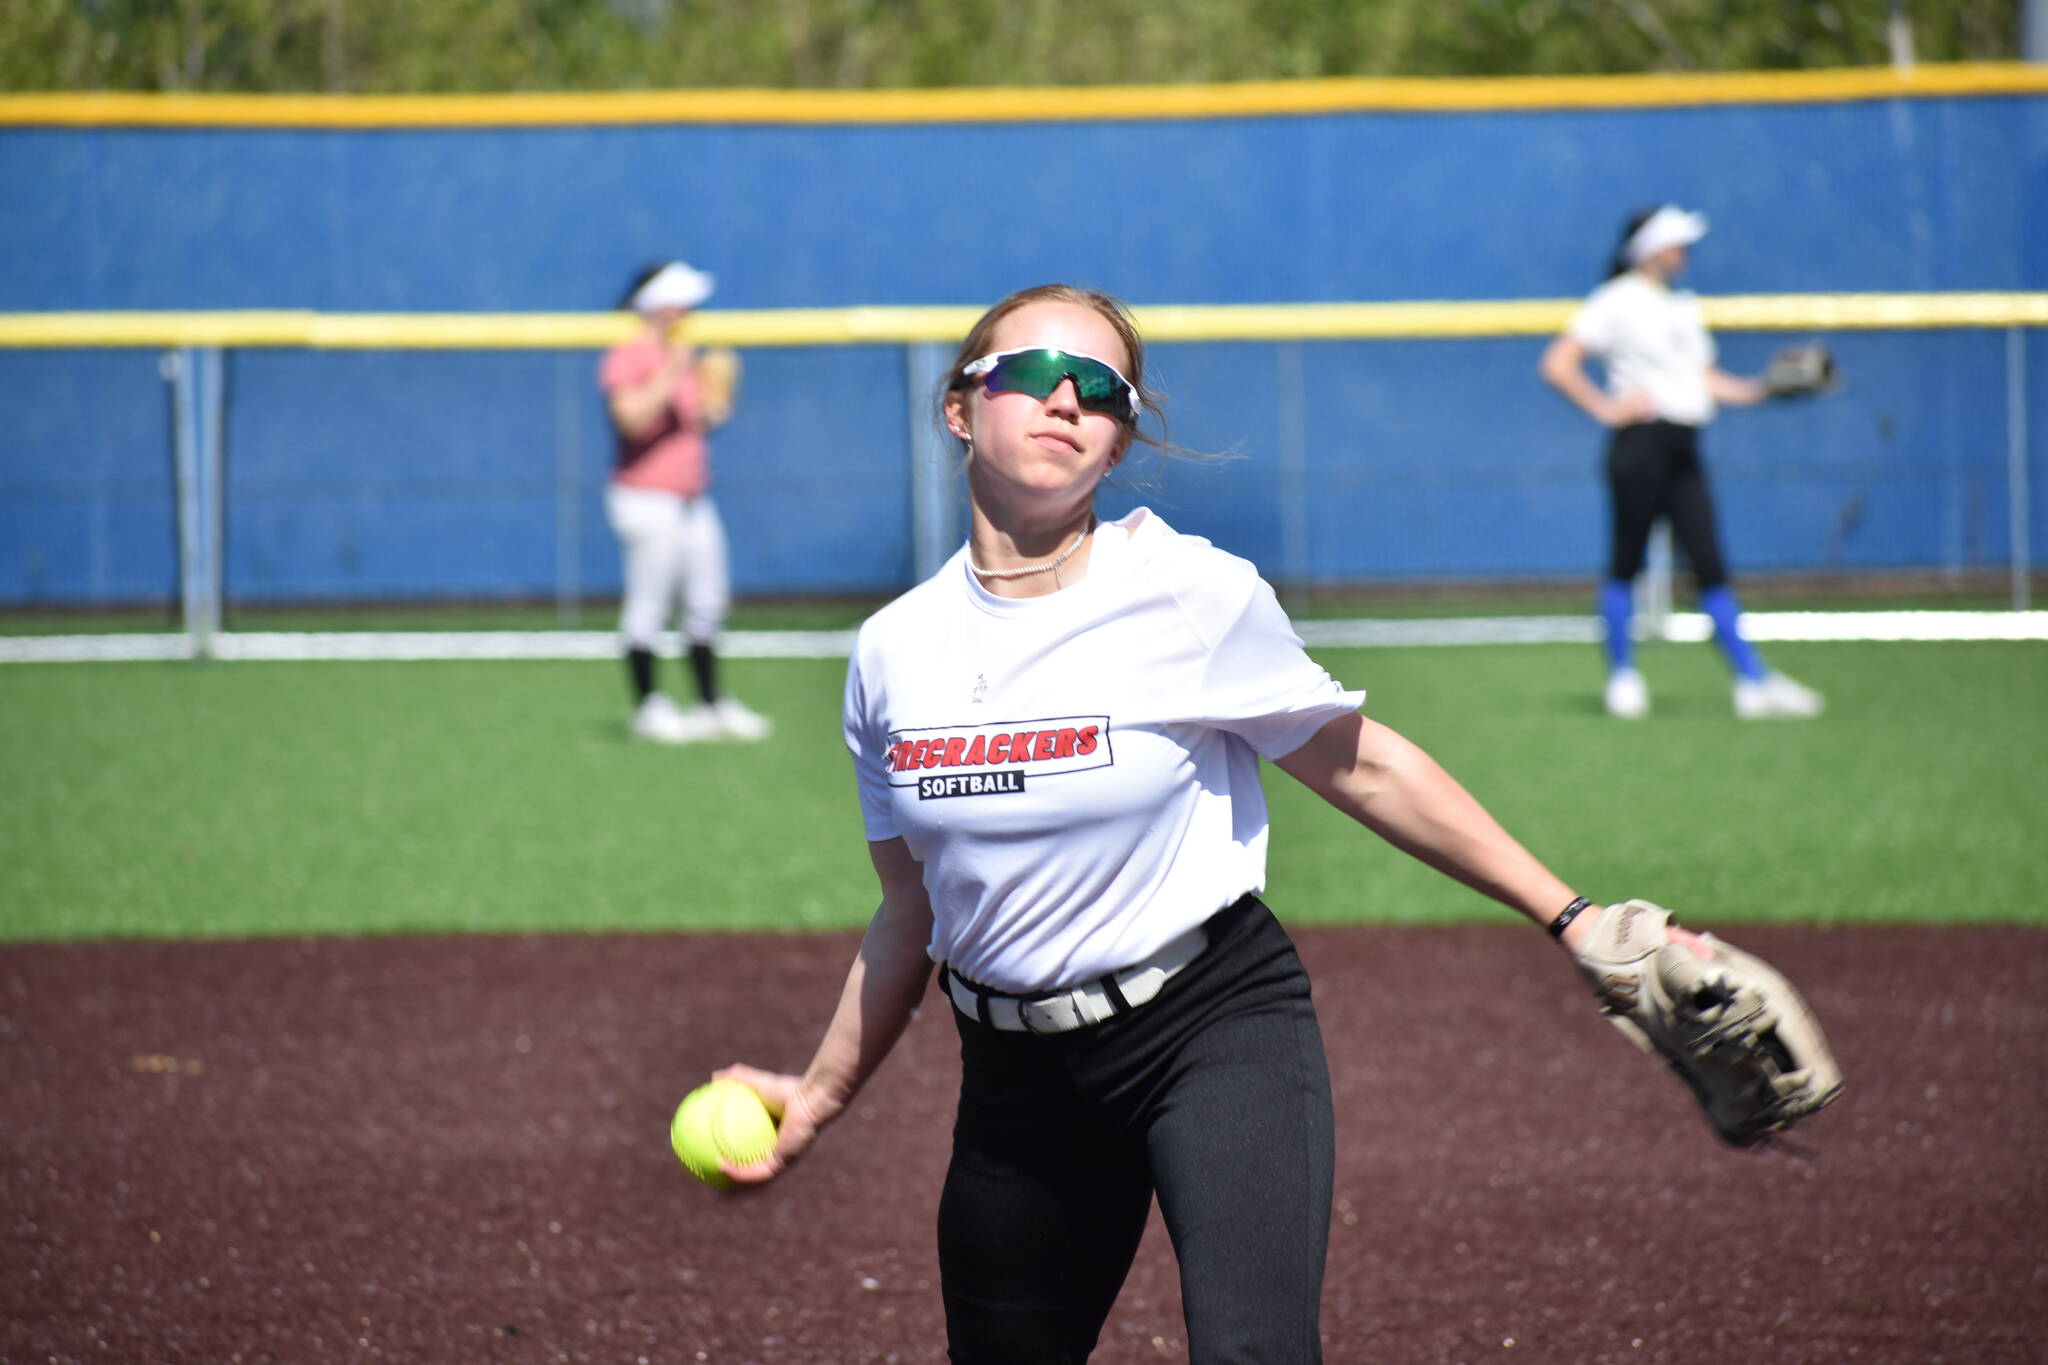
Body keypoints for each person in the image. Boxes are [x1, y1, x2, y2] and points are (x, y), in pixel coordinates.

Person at [711, 283, 1713, 1364]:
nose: (1064, 400)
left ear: (1119, 437)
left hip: (1207, 1028)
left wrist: (1569, 918)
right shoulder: (889, 653)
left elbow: (1362, 767)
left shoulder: (1187, 592)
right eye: (1032, 375)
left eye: (1098, 388)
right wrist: (815, 1095)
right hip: (1015, 1083)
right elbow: (909, 905)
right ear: (960, 408)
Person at [1539, 205, 1825, 721]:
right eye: (1677, 243)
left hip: (1684, 445)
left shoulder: (1680, 306)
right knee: (1627, 560)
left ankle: (1753, 683)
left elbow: (1706, 379)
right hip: (1640, 443)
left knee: (1709, 563)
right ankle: (1622, 678)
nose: (1685, 253)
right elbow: (1557, 363)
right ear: (1650, 249)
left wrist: (1766, 389)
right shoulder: (1617, 300)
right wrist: (1607, 409)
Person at [599, 260, 771, 744]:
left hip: (692, 498)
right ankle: (648, 706)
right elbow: (630, 420)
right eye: (681, 301)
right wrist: (672, 371)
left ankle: (710, 704)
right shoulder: (631, 354)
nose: (689, 310)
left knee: (706, 602)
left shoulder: (683, 354)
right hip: (645, 498)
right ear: (660, 303)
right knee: (648, 606)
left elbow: (699, 420)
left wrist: (717, 401)